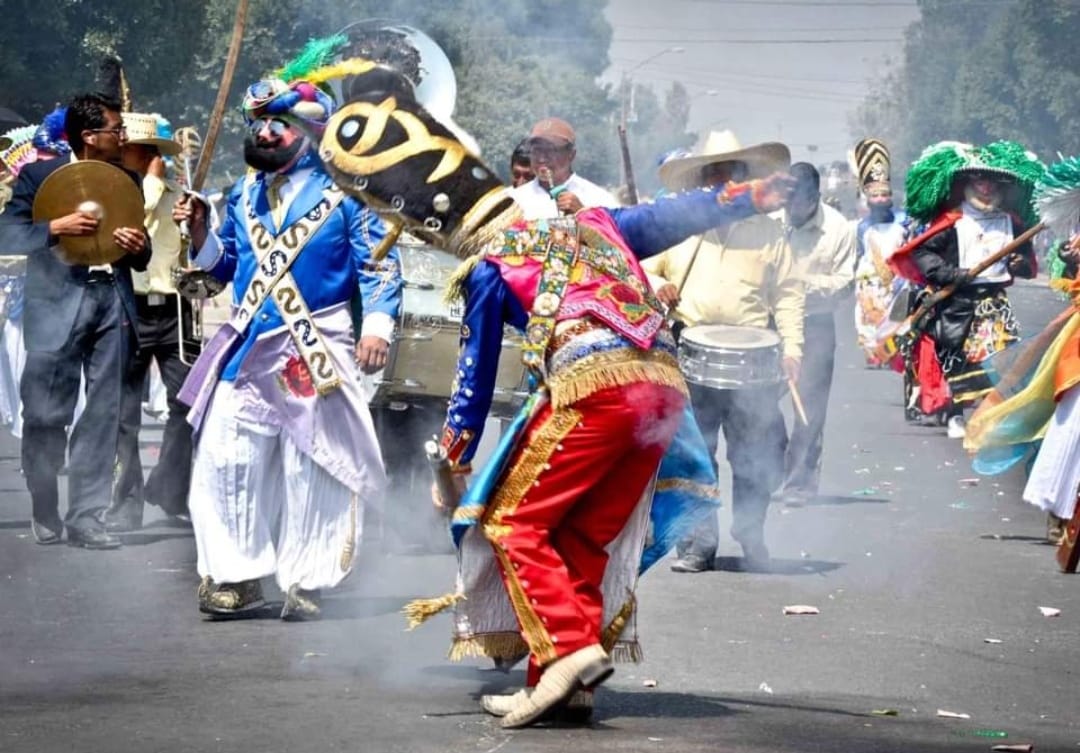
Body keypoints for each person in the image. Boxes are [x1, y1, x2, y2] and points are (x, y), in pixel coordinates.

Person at [316, 63, 795, 727]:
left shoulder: (488, 264)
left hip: (596, 388)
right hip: (661, 391)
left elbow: (475, 377)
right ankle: (567, 685)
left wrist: (452, 456)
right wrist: (745, 196)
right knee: (581, 538)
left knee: (511, 522)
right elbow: (675, 214)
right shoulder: (599, 221)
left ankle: (570, 651)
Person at [173, 73, 402, 621]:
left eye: (280, 124)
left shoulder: (350, 194)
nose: (267, 133)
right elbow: (226, 266)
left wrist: (377, 327)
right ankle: (235, 575)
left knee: (318, 462)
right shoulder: (242, 193)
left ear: (313, 132)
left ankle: (310, 579)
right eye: (260, 124)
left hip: (316, 340)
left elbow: (378, 266)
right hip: (249, 344)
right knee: (227, 455)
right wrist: (203, 233)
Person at [640, 130, 804, 573]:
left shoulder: (770, 231)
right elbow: (638, 266)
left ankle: (751, 530)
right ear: (704, 180)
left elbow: (789, 294)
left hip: (755, 360)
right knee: (695, 454)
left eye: (732, 173)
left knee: (759, 452)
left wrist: (793, 349)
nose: (724, 182)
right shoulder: (677, 227)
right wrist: (659, 286)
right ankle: (697, 543)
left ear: (743, 178)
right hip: (689, 354)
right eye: (715, 174)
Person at [0, 93, 151, 549]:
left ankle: (87, 516)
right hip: (55, 302)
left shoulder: (129, 179)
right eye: (115, 129)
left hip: (111, 302)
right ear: (89, 137)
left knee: (104, 412)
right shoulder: (38, 176)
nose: (122, 137)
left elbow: (141, 255)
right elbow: (6, 232)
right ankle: (45, 504)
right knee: (46, 413)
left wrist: (136, 244)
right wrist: (54, 228)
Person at [889, 141, 1042, 438]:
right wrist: (951, 274)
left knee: (1001, 357)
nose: (986, 188)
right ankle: (956, 414)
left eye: (992, 183)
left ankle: (990, 414)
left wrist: (1016, 262)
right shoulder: (952, 221)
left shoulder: (1012, 222)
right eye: (980, 181)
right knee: (957, 359)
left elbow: (1026, 262)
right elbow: (923, 255)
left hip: (994, 303)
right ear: (969, 183)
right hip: (958, 303)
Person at [106, 112, 193, 531]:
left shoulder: (178, 195)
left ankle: (170, 487)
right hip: (131, 307)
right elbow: (123, 228)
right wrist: (152, 185)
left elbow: (189, 254)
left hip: (173, 310)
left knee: (186, 403)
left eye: (154, 152)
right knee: (125, 411)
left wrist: (194, 222)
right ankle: (126, 501)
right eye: (146, 151)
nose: (154, 159)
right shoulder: (115, 192)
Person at [775, 162, 856, 504]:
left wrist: (801, 286)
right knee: (756, 403)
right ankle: (772, 466)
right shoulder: (770, 221)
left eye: (799, 203)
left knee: (809, 409)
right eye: (787, 201)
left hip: (814, 324)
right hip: (769, 324)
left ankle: (799, 483)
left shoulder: (838, 229)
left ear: (816, 199)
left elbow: (845, 282)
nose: (791, 209)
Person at [851, 138, 909, 367]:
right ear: (868, 198)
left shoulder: (904, 221)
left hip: (896, 280)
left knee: (895, 319)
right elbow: (859, 254)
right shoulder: (862, 227)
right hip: (870, 282)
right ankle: (874, 354)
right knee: (869, 319)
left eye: (884, 195)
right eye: (875, 196)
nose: (880, 200)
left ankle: (892, 353)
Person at [512, 117, 617, 219]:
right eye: (536, 150)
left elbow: (614, 235)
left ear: (571, 155)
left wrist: (583, 215)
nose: (542, 158)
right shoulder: (514, 201)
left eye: (550, 150)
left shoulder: (598, 199)